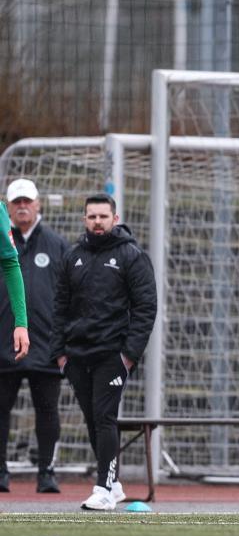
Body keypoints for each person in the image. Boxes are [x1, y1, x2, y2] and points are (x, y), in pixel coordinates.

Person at [50, 194, 156, 510]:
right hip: (76, 355)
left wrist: (129, 354)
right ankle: (115, 484)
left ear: (115, 218)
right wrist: (61, 354)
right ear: (85, 219)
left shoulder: (131, 256)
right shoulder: (72, 256)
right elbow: (59, 306)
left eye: (103, 216)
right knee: (93, 419)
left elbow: (146, 307)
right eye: (92, 216)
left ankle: (104, 489)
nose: (98, 222)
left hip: (113, 353)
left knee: (105, 417)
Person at [0, 179, 67, 493]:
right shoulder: (3, 236)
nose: (23, 206)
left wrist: (64, 339)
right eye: (17, 202)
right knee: (1, 410)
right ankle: (1, 471)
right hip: (4, 342)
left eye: (27, 201)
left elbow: (70, 295)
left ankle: (47, 472)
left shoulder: (57, 245)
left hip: (45, 343)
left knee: (48, 411)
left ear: (38, 203)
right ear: (9, 206)